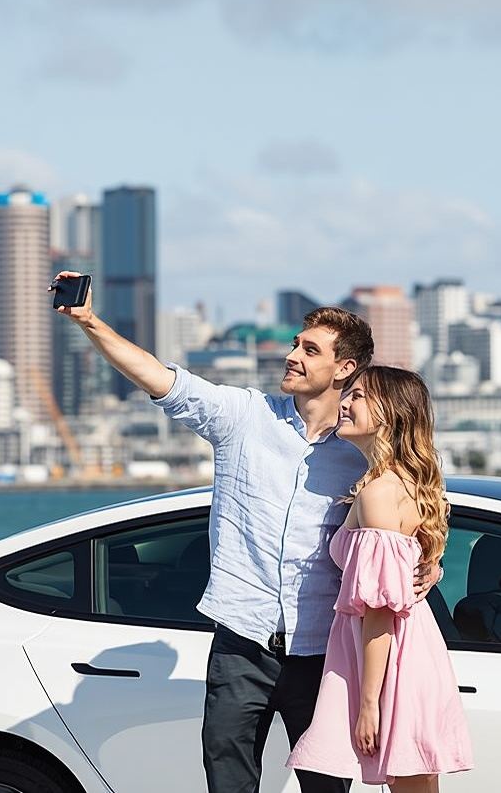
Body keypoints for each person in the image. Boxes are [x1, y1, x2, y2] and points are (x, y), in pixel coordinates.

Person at [51, 272, 435, 793]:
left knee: (328, 789)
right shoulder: (245, 417)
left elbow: (421, 498)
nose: (292, 355)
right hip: (241, 644)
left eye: (309, 349)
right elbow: (162, 379)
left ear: (345, 368)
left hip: (325, 653)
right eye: (295, 344)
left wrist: (429, 560)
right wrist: (89, 321)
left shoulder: (361, 448)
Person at [288, 366, 473, 791]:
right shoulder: (406, 484)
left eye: (358, 396)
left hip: (391, 657)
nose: (345, 403)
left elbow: (378, 609)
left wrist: (369, 702)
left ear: (390, 414)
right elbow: (408, 572)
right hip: (412, 647)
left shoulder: (379, 494)